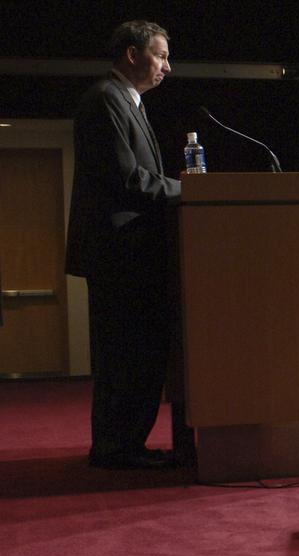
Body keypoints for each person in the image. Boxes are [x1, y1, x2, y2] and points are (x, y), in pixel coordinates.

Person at [65, 20, 180, 470]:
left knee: (139, 354)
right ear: (132, 54)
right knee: (123, 356)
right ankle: (115, 448)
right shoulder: (104, 100)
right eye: (161, 55)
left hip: (132, 254)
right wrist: (186, 190)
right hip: (118, 256)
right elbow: (127, 179)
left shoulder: (127, 101)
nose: (168, 67)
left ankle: (126, 445)